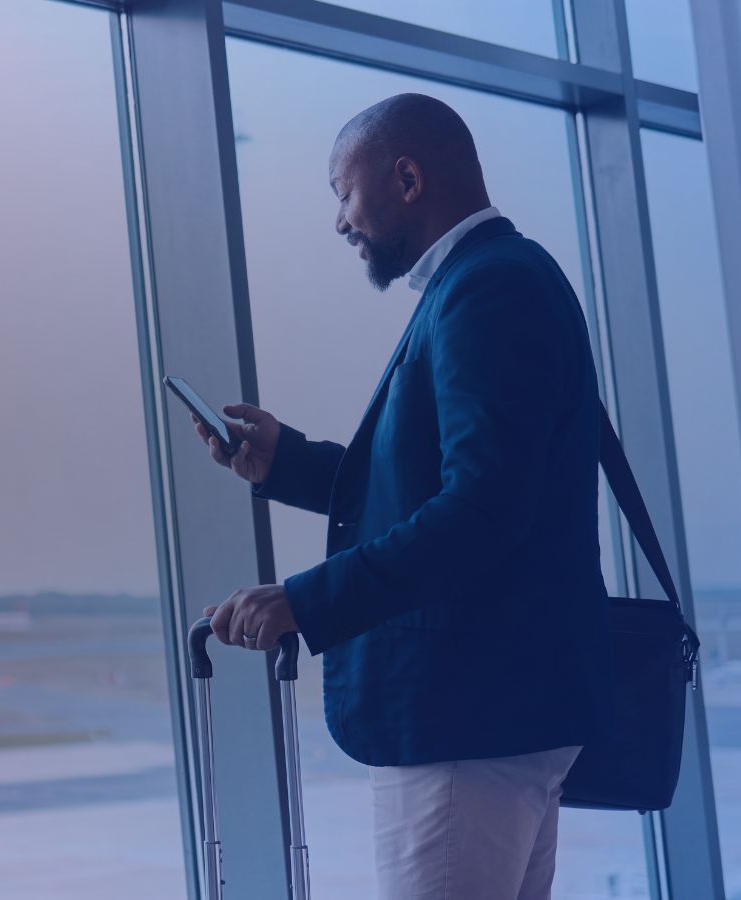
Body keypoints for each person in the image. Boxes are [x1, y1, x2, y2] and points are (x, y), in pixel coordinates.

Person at [198, 93, 612, 900]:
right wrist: (283, 464)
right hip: (498, 713)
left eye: (343, 194)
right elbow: (429, 489)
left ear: (408, 178)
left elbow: (482, 513)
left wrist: (303, 601)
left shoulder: (486, 291)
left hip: (466, 719)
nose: (341, 223)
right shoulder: (492, 281)